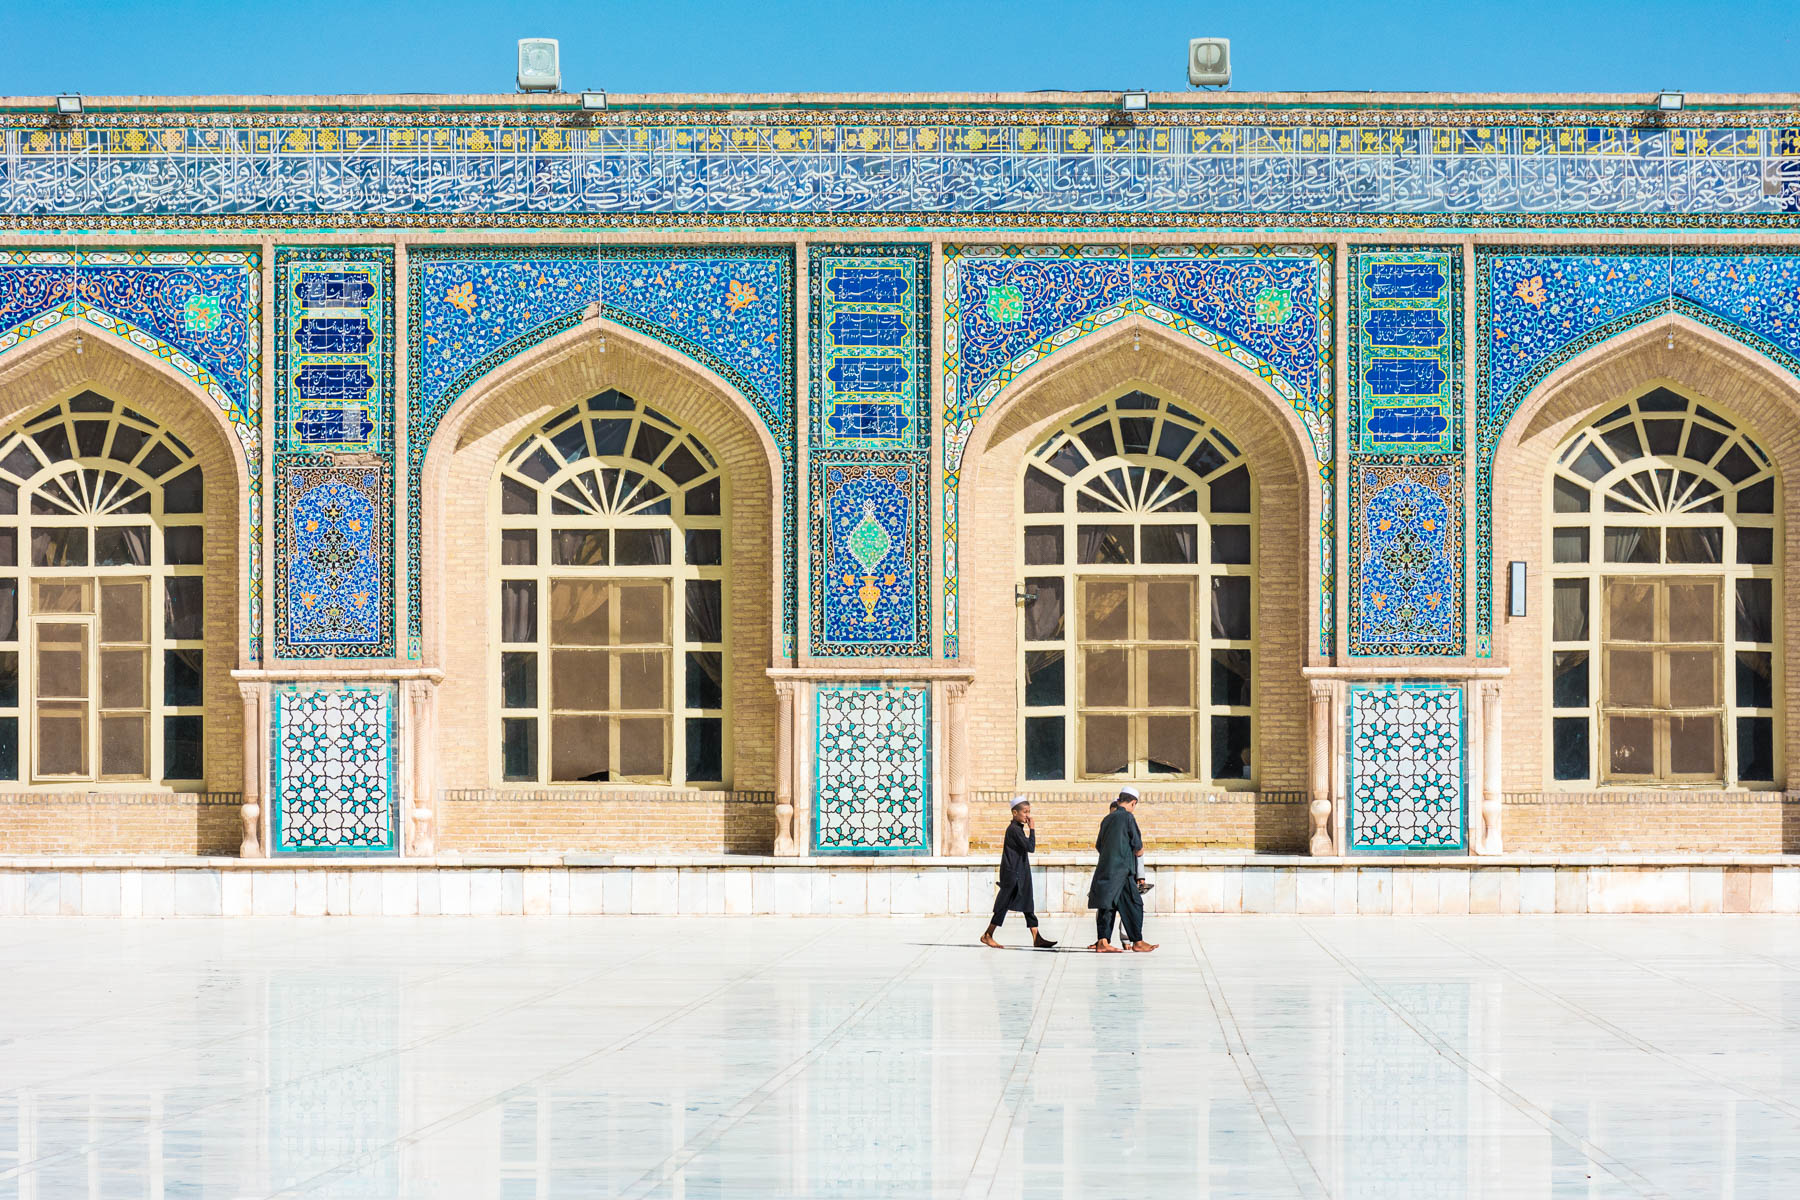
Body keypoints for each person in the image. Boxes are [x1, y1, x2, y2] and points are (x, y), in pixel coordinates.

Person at [1088, 786, 1157, 953]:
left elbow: (1099, 845)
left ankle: (1102, 941)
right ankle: (1137, 942)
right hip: (1123, 871)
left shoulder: (1107, 819)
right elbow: (1138, 846)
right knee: (1134, 903)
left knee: (1107, 905)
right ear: (1133, 803)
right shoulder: (1128, 818)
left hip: (1105, 869)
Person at [982, 798, 1056, 949]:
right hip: (1013, 874)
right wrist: (1033, 829)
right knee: (1003, 905)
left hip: (1020, 872)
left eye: (1029, 812)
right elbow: (1030, 847)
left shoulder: (1017, 829)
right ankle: (988, 935)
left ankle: (1036, 937)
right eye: (1025, 812)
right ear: (1015, 813)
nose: (1027, 816)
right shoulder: (1014, 830)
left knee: (1028, 903)